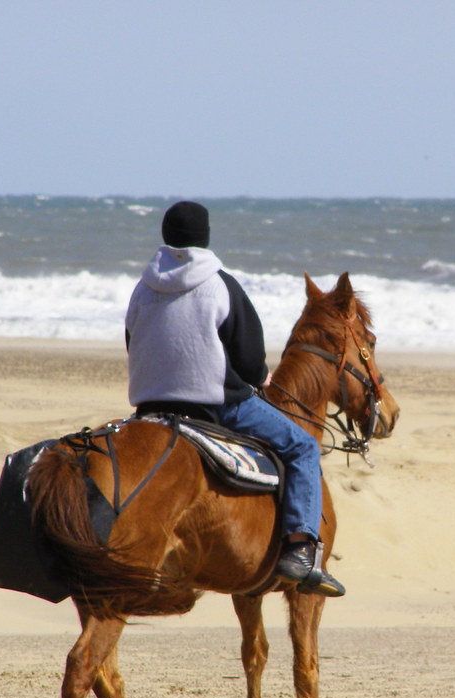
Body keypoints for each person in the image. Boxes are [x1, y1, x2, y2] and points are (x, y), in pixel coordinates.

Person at [124, 200, 345, 597]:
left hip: (150, 406)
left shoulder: (143, 287)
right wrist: (261, 378)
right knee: (302, 446)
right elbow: (247, 357)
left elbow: (133, 342)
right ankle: (300, 549)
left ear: (166, 235)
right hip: (217, 406)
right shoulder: (220, 284)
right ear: (205, 237)